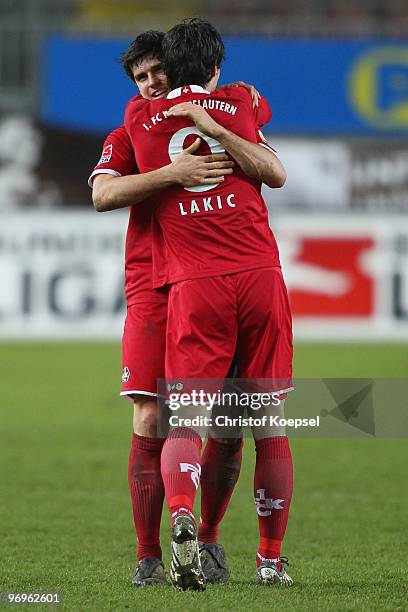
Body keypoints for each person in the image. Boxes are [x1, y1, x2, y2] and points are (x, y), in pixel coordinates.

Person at [89, 30, 265, 588]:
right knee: (150, 415)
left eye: (157, 71)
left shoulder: (223, 109)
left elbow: (260, 140)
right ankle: (147, 557)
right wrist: (172, 174)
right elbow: (101, 196)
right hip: (153, 287)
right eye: (140, 78)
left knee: (229, 420)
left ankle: (206, 539)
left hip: (214, 280)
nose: (151, 84)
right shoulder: (129, 130)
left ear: (179, 67)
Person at [124, 19, 293, 591]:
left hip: (194, 284)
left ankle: (180, 517)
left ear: (167, 68)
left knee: (184, 418)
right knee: (267, 423)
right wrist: (212, 114)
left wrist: (186, 126)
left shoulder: (138, 121)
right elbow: (272, 165)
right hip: (259, 274)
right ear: (217, 66)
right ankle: (270, 561)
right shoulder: (242, 102)